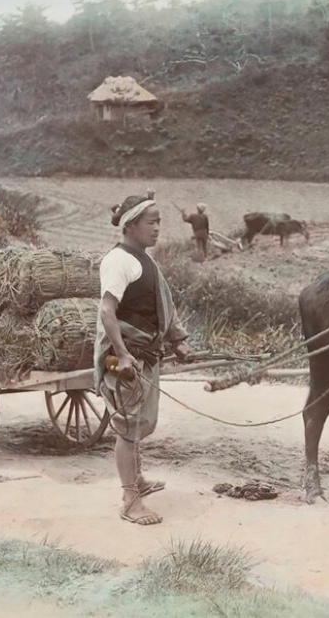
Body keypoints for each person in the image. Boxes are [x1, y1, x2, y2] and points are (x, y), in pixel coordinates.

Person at [93, 193, 194, 525]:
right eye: (151, 222)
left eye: (159, 222)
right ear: (131, 225)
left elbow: (163, 306)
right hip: (125, 360)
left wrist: (177, 341)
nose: (157, 228)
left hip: (145, 354)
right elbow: (107, 312)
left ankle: (137, 480)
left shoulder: (147, 261)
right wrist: (121, 354)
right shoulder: (118, 261)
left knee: (138, 424)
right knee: (127, 427)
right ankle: (129, 500)